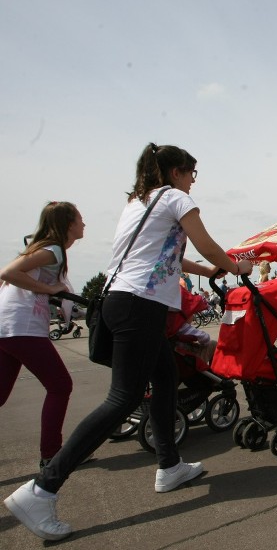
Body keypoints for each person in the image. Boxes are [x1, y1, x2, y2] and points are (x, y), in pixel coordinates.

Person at [4, 143, 253, 541]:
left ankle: (169, 466)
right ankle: (42, 488)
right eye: (191, 172)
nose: (193, 180)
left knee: (167, 377)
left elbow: (164, 256)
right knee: (122, 398)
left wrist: (205, 269)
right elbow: (205, 243)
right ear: (175, 172)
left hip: (126, 300)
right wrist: (235, 265)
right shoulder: (175, 198)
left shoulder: (139, 203)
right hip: (140, 305)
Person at [0, 202, 85, 472]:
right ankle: (52, 456)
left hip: (8, 328)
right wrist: (48, 289)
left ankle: (51, 454)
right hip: (21, 327)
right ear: (68, 224)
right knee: (60, 385)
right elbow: (7, 274)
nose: (84, 224)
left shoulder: (45, 250)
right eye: (80, 219)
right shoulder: (54, 250)